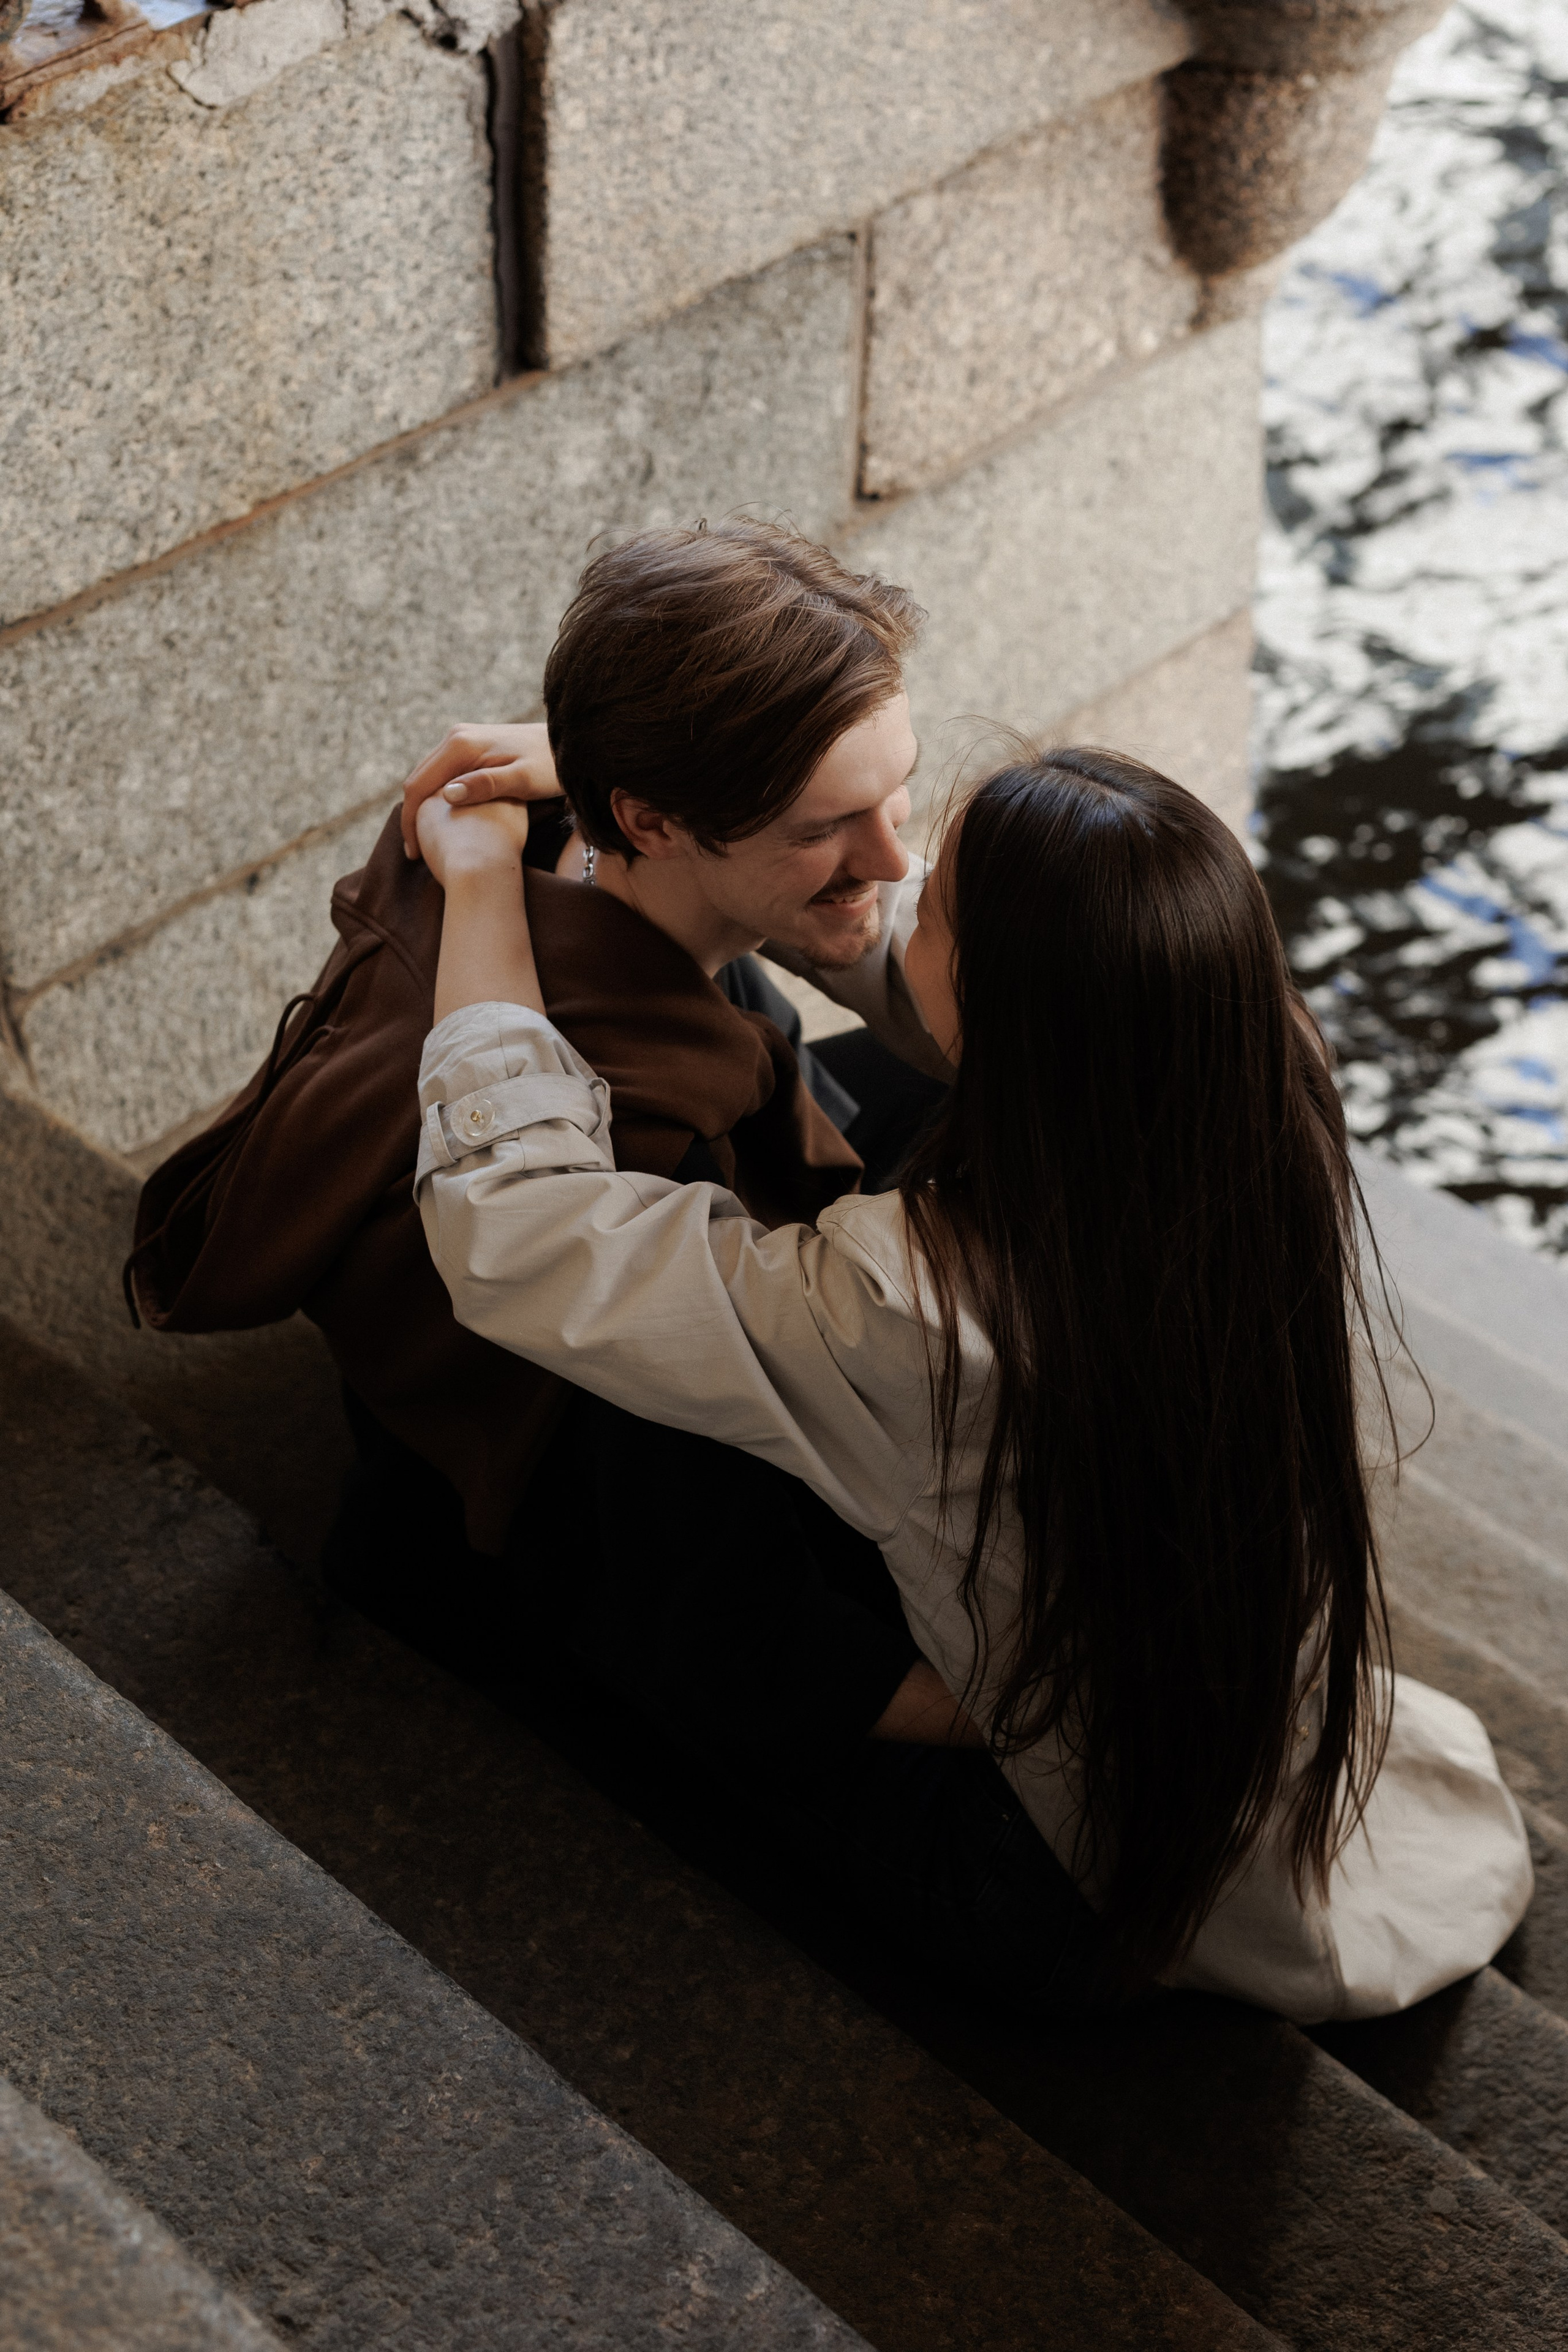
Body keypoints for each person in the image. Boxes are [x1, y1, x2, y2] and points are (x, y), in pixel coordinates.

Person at [406, 744, 1534, 2022]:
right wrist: (669, 785)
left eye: (932, 902)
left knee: (600, 1526)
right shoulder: (1244, 1074)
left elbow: (513, 1230)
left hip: (1041, 1878)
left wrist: (483, 885)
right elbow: (908, 981)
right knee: (861, 1096)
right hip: (1203, 1722)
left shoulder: (910, 1300)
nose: (894, 884)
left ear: (1006, 1014)